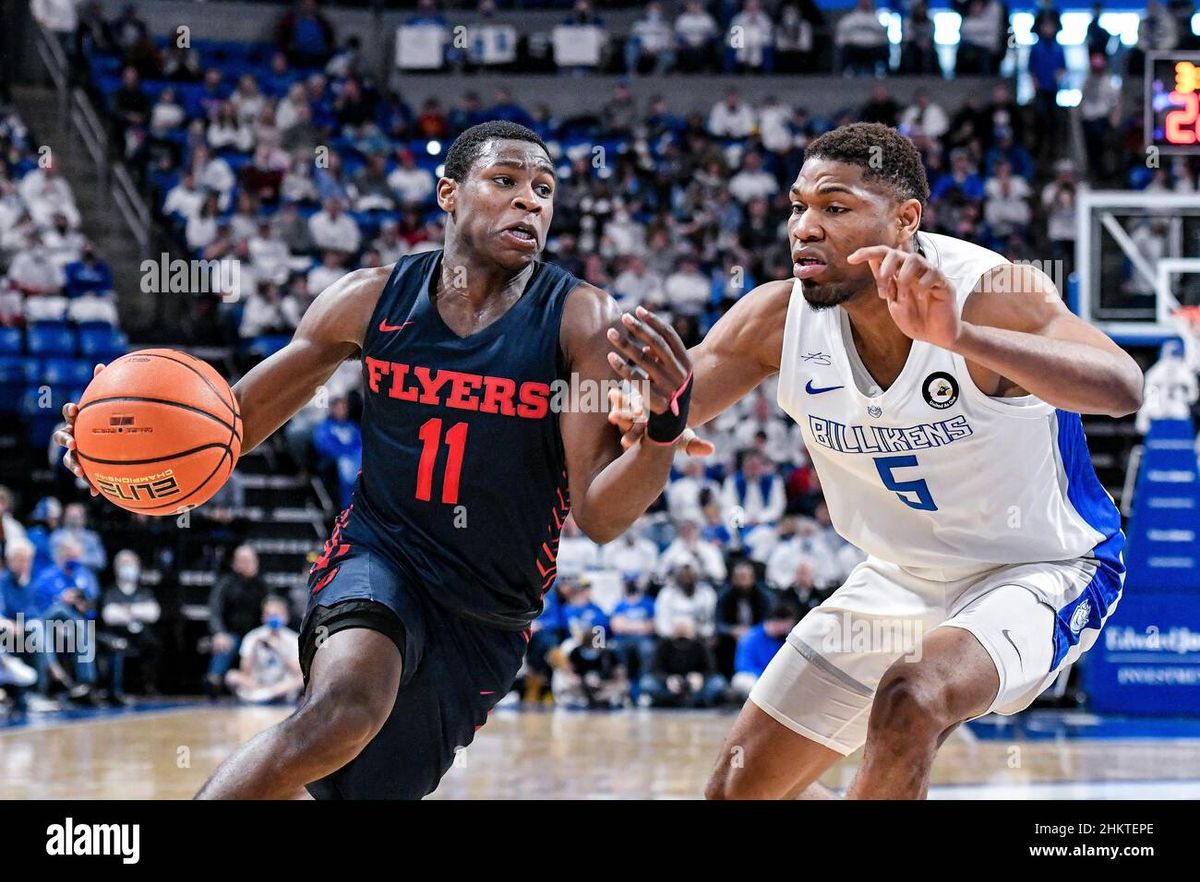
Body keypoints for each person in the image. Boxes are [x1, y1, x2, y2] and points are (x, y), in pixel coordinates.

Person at [60, 120, 693, 799]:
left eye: (543, 189)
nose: (529, 201)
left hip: (486, 612)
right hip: (379, 556)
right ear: (449, 193)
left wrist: (665, 426)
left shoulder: (579, 318)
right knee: (341, 714)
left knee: (355, 791)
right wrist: (123, 444)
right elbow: (229, 424)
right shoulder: (370, 298)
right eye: (505, 181)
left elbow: (599, 513)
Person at [609, 122, 1141, 799]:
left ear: (905, 219)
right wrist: (646, 419)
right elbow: (669, 407)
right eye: (798, 206)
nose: (805, 226)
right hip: (897, 578)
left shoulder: (988, 293)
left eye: (835, 207)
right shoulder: (776, 319)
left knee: (911, 695)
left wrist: (963, 337)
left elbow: (1122, 388)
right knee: (736, 790)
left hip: (1042, 567)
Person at [204, 544, 269, 696]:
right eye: (243, 560)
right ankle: (214, 681)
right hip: (231, 634)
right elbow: (215, 611)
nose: (248, 564)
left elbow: (272, 608)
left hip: (257, 635)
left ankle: (261, 686)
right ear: (235, 563)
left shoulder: (263, 585)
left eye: (251, 560)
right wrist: (219, 632)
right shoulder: (225, 583)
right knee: (225, 644)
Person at [226, 596, 304, 704]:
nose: (273, 618)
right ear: (263, 617)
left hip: (282, 686)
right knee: (231, 676)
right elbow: (245, 672)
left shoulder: (293, 639)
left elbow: (297, 672)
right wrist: (254, 649)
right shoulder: (253, 637)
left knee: (301, 680)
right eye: (269, 615)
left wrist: (279, 650)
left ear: (285, 617)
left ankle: (267, 694)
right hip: (257, 684)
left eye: (276, 615)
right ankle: (266, 694)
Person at [730, 600, 800, 700]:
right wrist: (766, 677)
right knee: (742, 680)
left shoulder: (786, 639)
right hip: (755, 678)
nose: (787, 629)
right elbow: (743, 666)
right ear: (776, 622)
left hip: (776, 680)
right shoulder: (751, 636)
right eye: (786, 625)